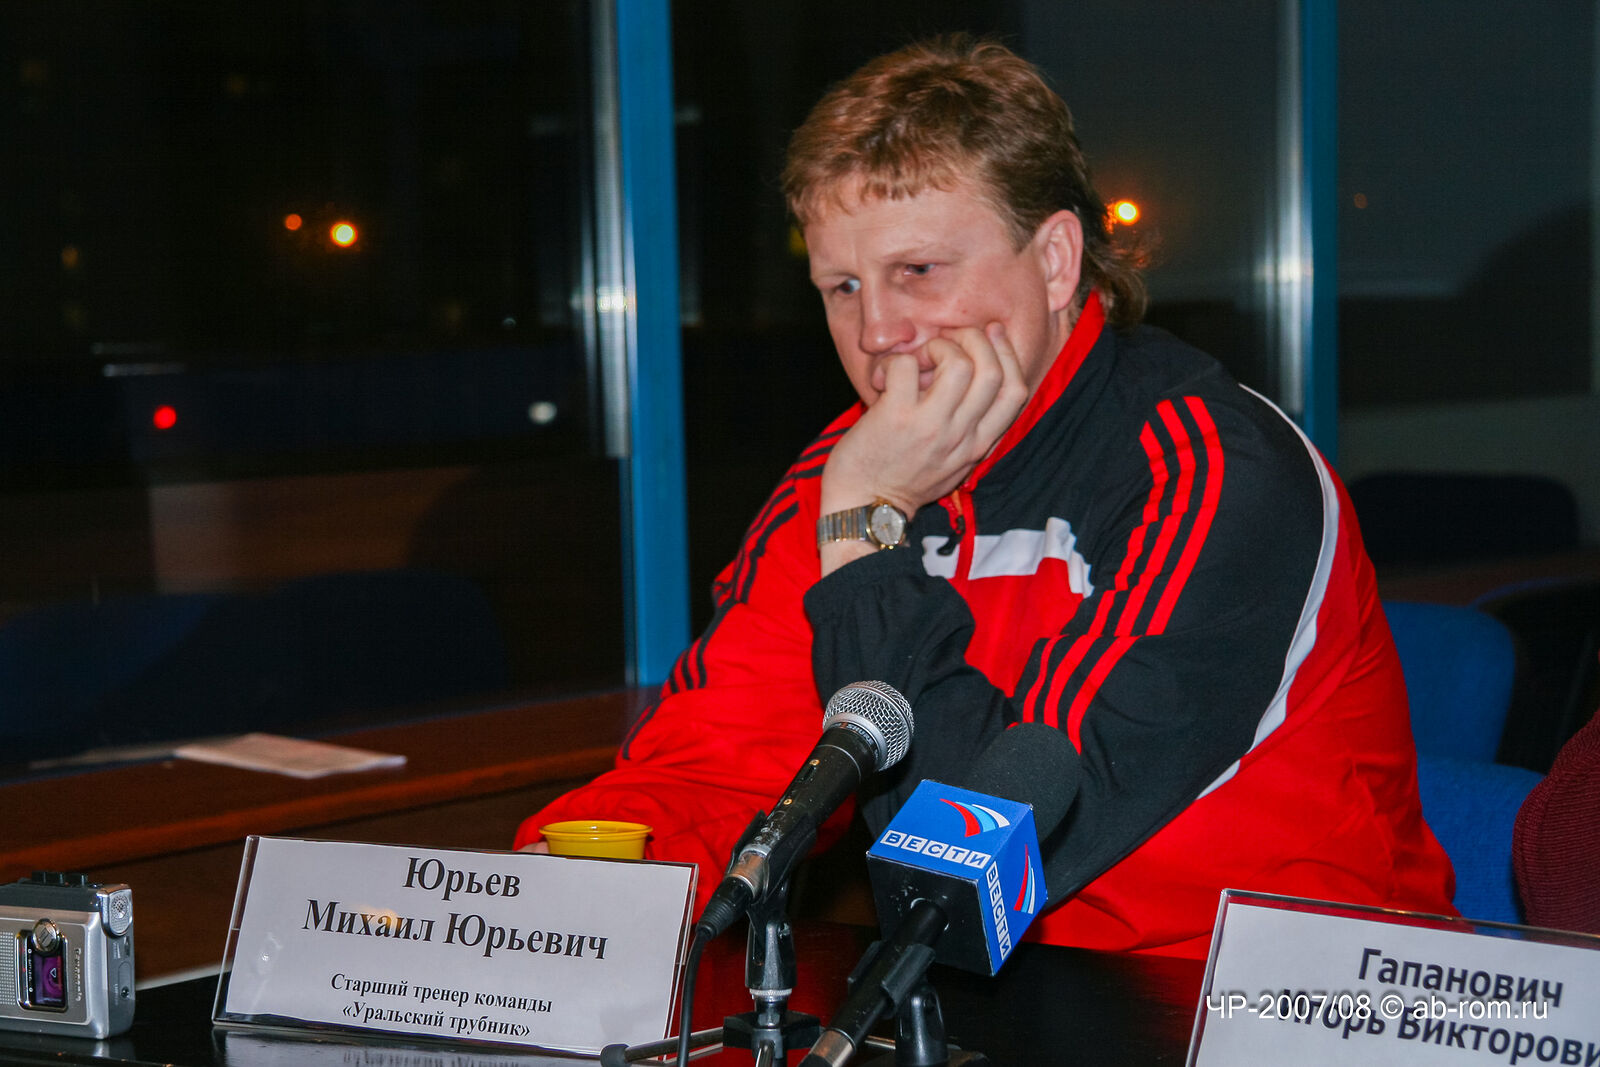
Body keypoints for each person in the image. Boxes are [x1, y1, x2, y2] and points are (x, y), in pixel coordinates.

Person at [516, 35, 1455, 957]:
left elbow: (987, 845)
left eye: (917, 272)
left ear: (1054, 261)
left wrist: (868, 529)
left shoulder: (1214, 468)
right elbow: (718, 764)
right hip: (1001, 999)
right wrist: (556, 899)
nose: (876, 331)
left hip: (1283, 1001)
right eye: (841, 286)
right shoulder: (849, 475)